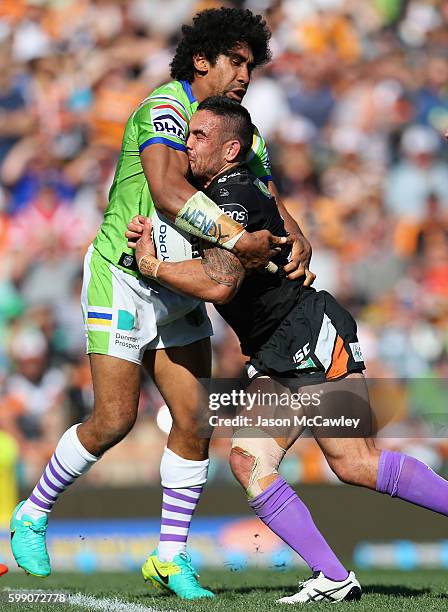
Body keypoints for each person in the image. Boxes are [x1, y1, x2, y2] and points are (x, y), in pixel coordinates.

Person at [10, 7, 313, 601]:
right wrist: (233, 237)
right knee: (115, 419)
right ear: (203, 60)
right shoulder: (165, 111)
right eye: (237, 61)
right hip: (122, 278)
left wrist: (297, 239)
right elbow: (170, 193)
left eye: (251, 65)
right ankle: (31, 514)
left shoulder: (239, 131)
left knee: (194, 419)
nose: (246, 74)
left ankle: (170, 557)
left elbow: (267, 198)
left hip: (178, 286)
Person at [134, 96, 448, 604]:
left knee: (356, 463)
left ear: (230, 148)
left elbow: (220, 284)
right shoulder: (215, 191)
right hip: (275, 349)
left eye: (199, 137)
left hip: (308, 334)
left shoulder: (233, 195)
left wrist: (155, 267)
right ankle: (334, 577)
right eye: (187, 134)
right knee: (248, 461)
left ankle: (335, 574)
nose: (186, 144)